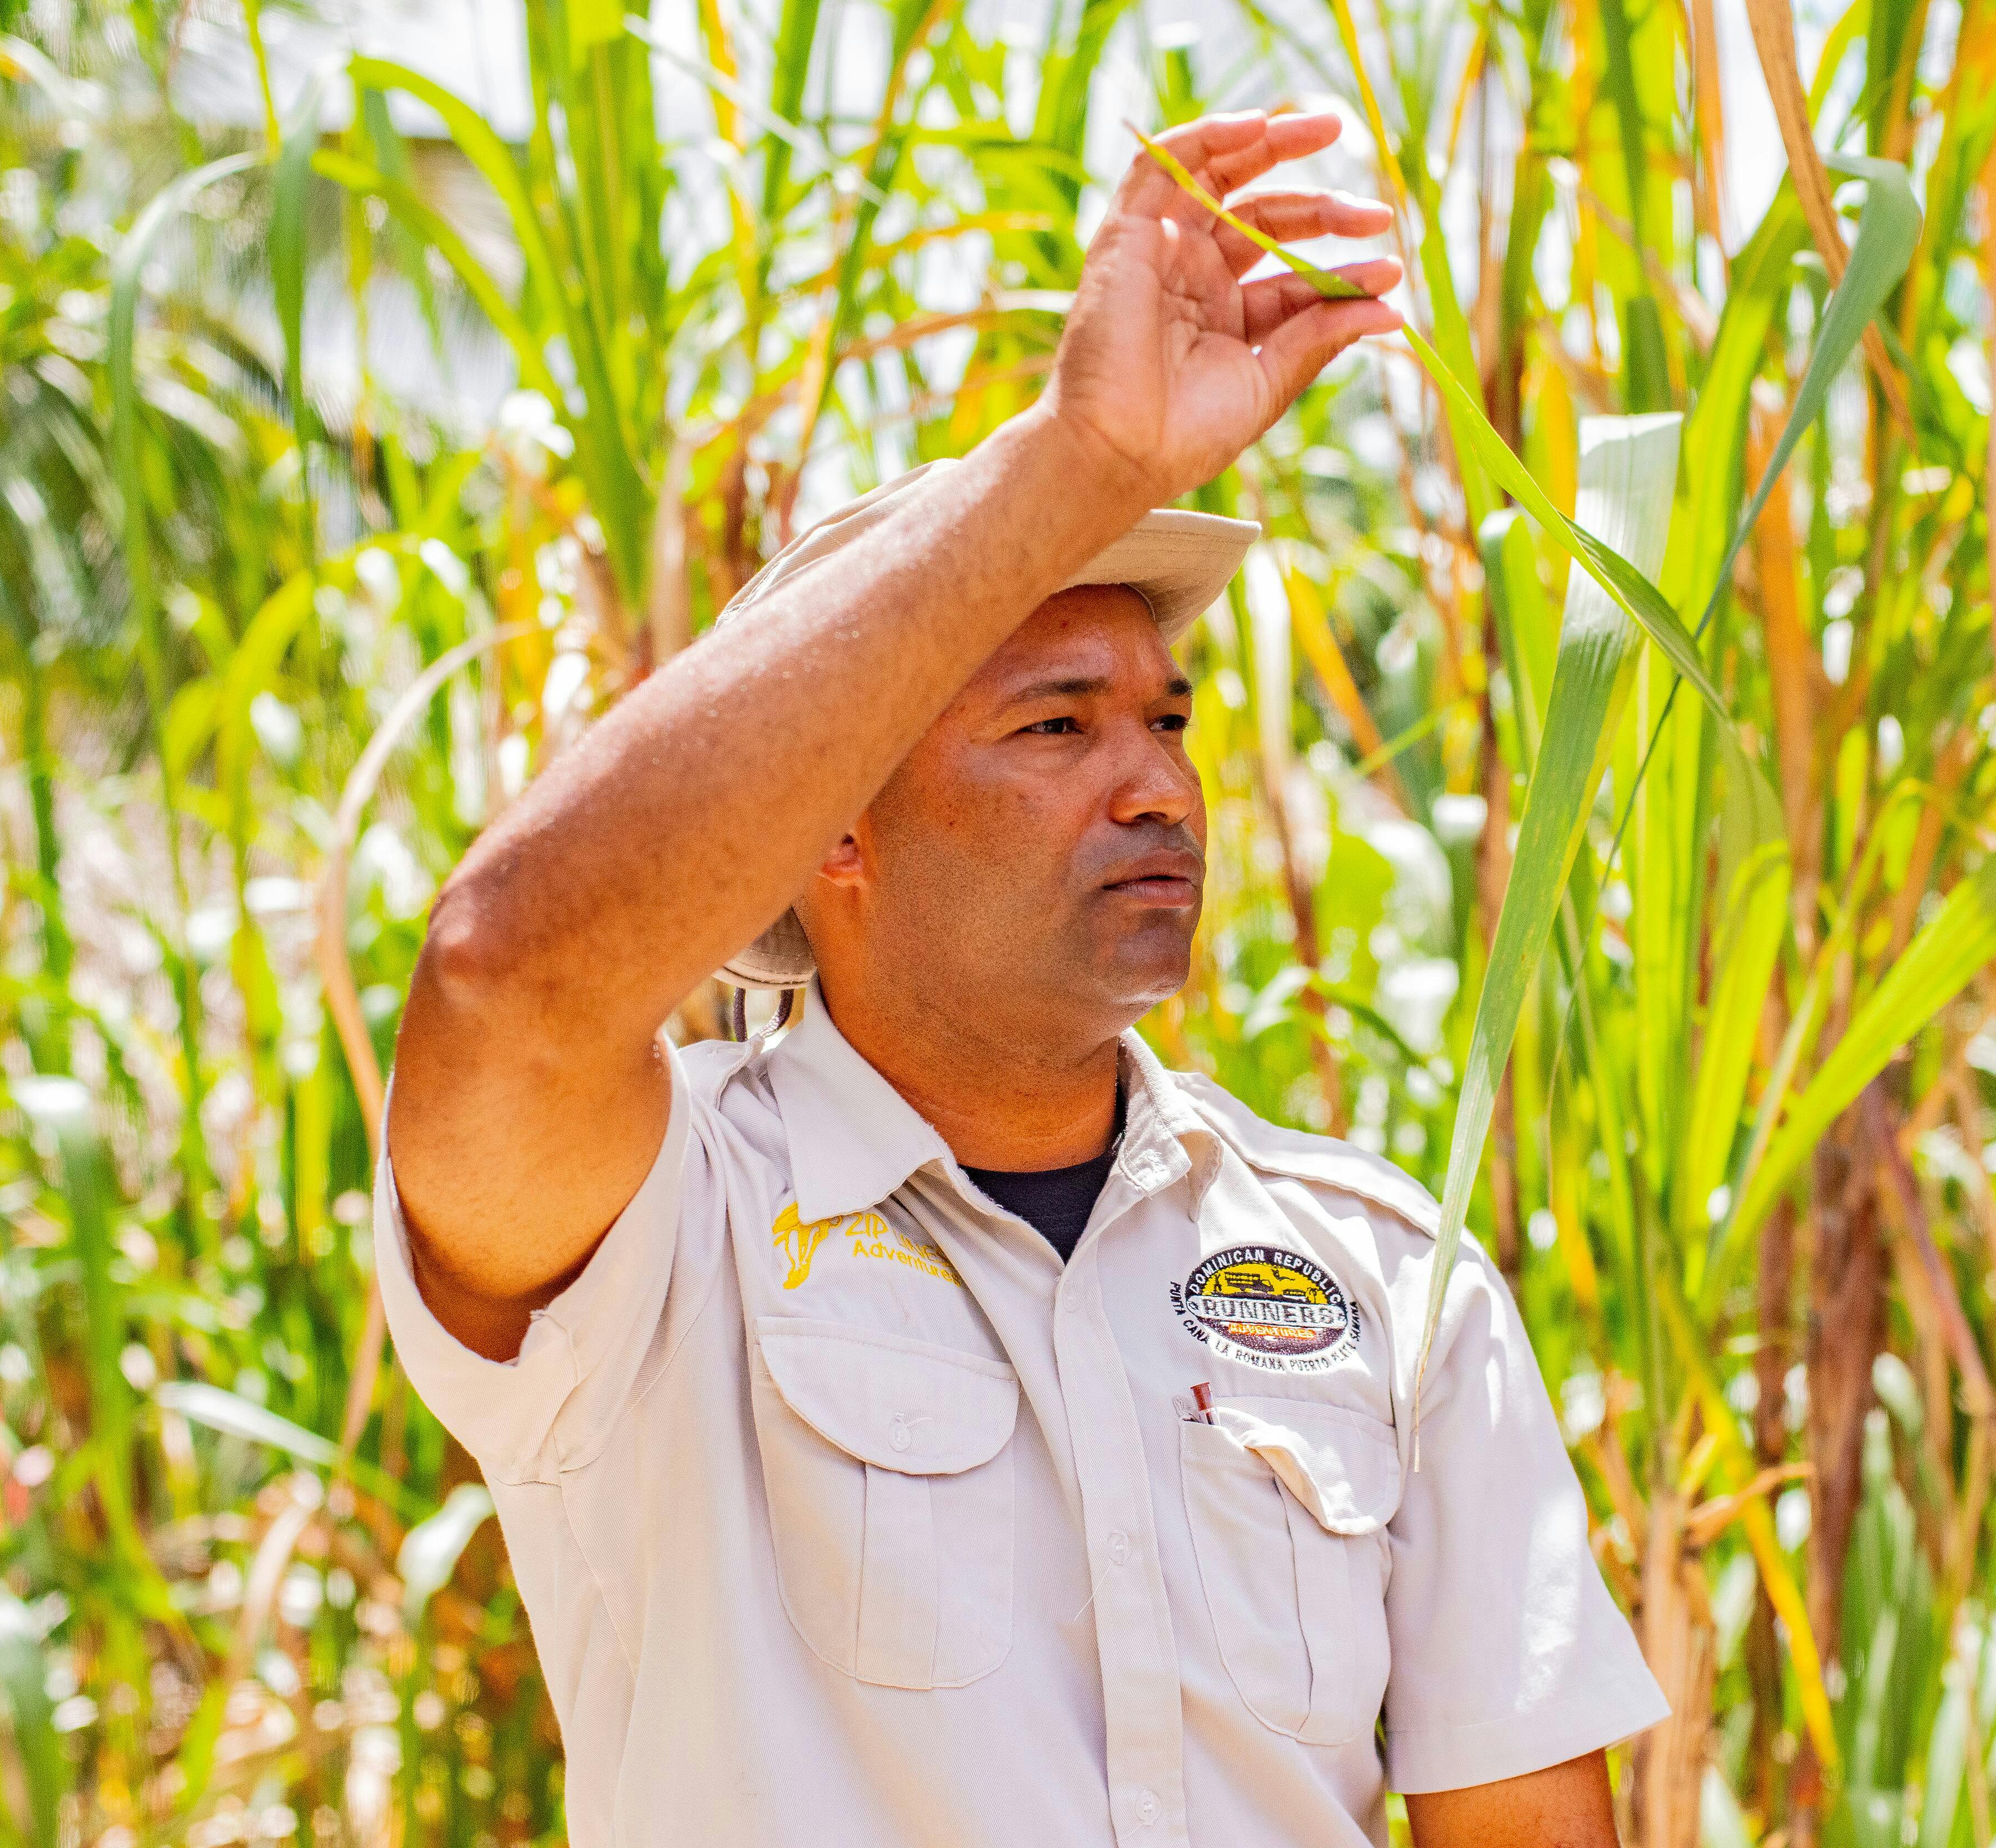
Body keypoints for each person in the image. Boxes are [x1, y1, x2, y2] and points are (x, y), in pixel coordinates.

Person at [381, 109, 1666, 1848]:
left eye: (1166, 720)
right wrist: (1078, 461)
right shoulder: (661, 1242)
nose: (1153, 783)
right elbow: (497, 980)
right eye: (1053, 725)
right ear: (826, 831)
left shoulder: (1379, 1269)